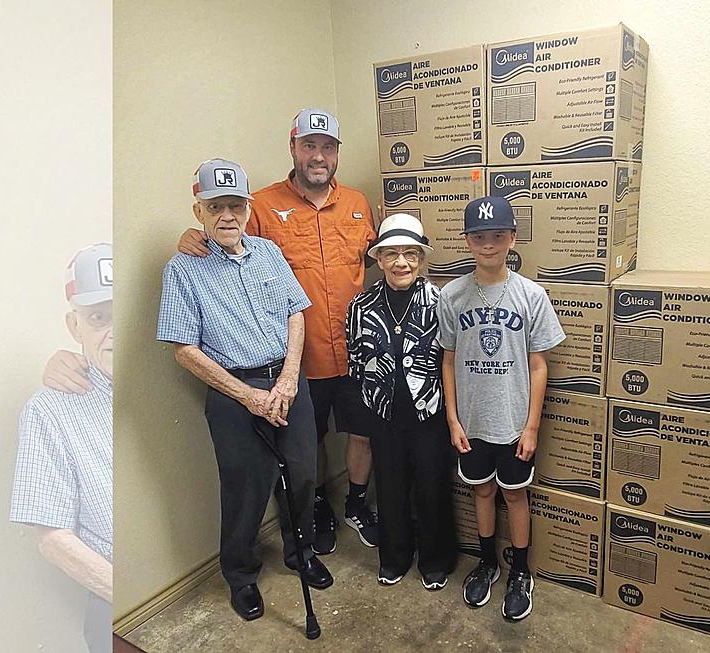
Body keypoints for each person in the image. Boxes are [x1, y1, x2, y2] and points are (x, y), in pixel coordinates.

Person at [176, 109, 378, 554]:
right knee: (310, 446)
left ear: (337, 153)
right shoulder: (261, 206)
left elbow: (377, 259)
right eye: (309, 145)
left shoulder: (359, 204)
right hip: (301, 360)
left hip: (359, 351)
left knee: (361, 433)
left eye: (328, 147)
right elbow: (225, 240)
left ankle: (358, 504)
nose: (318, 156)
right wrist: (190, 236)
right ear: (293, 148)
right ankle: (318, 507)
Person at [157, 158, 332, 623]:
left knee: (303, 473)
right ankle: (240, 576)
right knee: (244, 488)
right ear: (200, 211)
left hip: (289, 382)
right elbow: (184, 349)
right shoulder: (183, 269)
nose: (228, 216)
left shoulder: (269, 253)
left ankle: (301, 552)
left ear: (248, 208)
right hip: (235, 392)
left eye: (236, 205)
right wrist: (249, 396)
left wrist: (290, 378)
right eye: (217, 207)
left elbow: (297, 313)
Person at [437, 197, 565, 621]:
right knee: (483, 491)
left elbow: (538, 364)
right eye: (478, 236)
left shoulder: (532, 294)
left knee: (514, 494)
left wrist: (531, 428)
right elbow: (449, 360)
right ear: (467, 241)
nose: (487, 244)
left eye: (496, 236)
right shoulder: (452, 295)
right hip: (472, 423)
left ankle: (521, 571)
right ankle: (488, 562)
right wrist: (453, 419)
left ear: (512, 238)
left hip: (513, 423)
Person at [10, 243, 114, 653]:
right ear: (75, 327)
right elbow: (52, 536)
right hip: (110, 597)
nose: (113, 330)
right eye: (97, 318)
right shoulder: (48, 409)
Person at [345, 214, 458, 589]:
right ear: (378, 259)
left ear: (421, 259)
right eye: (391, 254)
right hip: (383, 412)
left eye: (410, 253)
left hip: (429, 411)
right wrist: (366, 409)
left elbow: (450, 359)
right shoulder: (361, 305)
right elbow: (356, 361)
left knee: (432, 487)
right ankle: (393, 557)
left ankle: (435, 560)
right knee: (390, 489)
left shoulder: (440, 302)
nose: (401, 262)